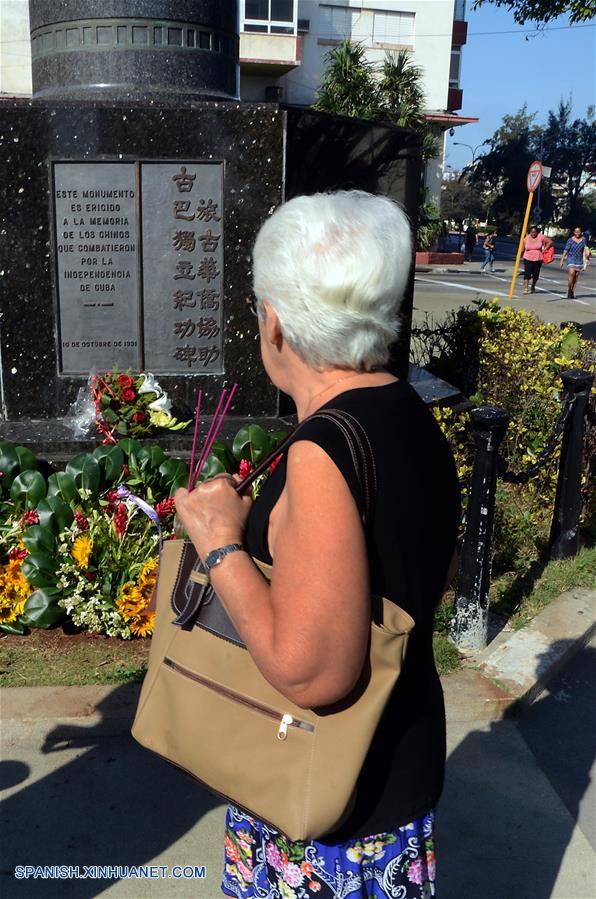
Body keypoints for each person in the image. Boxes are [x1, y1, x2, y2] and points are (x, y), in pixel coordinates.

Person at [175, 191, 460, 899]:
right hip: (397, 771)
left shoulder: (321, 452)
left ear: (275, 324)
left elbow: (311, 674)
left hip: (331, 812)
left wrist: (218, 543)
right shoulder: (407, 412)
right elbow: (429, 571)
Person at [560, 226, 591, 299]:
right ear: (573, 232)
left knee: (576, 276)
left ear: (581, 232)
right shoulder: (570, 240)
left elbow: (585, 249)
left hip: (579, 260)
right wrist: (562, 260)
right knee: (571, 273)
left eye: (579, 232)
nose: (577, 233)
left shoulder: (583, 240)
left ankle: (572, 291)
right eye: (576, 232)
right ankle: (569, 289)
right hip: (571, 258)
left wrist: (587, 259)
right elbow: (566, 250)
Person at [522, 224, 553, 294]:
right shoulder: (526, 238)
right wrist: (519, 256)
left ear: (537, 232)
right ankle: (526, 288)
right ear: (530, 232)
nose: (533, 234)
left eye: (534, 232)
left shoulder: (541, 237)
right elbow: (522, 248)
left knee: (535, 274)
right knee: (527, 273)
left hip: (538, 258)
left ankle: (533, 286)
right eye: (532, 232)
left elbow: (550, 242)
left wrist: (545, 249)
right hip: (527, 257)